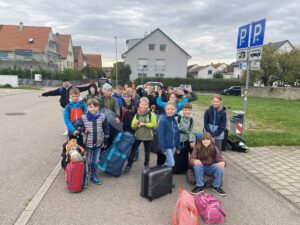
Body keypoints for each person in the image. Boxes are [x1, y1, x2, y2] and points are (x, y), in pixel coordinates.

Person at [124, 97, 157, 174]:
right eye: (142, 104)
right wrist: (136, 125)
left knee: (147, 151)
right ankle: (129, 166)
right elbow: (132, 126)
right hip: (138, 136)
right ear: (140, 105)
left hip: (148, 136)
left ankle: (146, 164)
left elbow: (155, 124)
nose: (144, 106)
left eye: (145, 105)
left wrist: (144, 124)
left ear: (148, 105)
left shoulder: (151, 114)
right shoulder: (137, 114)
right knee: (133, 151)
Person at [80, 99, 109, 186]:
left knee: (95, 161)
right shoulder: (83, 117)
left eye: (95, 106)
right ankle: (85, 178)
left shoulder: (102, 117)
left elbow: (106, 129)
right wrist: (84, 130)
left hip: (98, 143)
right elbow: (78, 126)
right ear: (87, 107)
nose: (93, 109)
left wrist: (105, 140)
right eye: (91, 107)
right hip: (88, 143)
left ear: (98, 107)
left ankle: (93, 176)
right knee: (87, 161)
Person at [157, 102, 180, 168]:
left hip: (174, 146)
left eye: (172, 109)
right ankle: (163, 169)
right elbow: (160, 135)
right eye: (168, 109)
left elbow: (177, 134)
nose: (170, 111)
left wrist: (178, 147)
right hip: (167, 146)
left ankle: (164, 175)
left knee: (168, 161)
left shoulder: (174, 120)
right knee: (172, 163)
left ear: (175, 110)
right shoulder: (163, 121)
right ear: (165, 109)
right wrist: (163, 148)